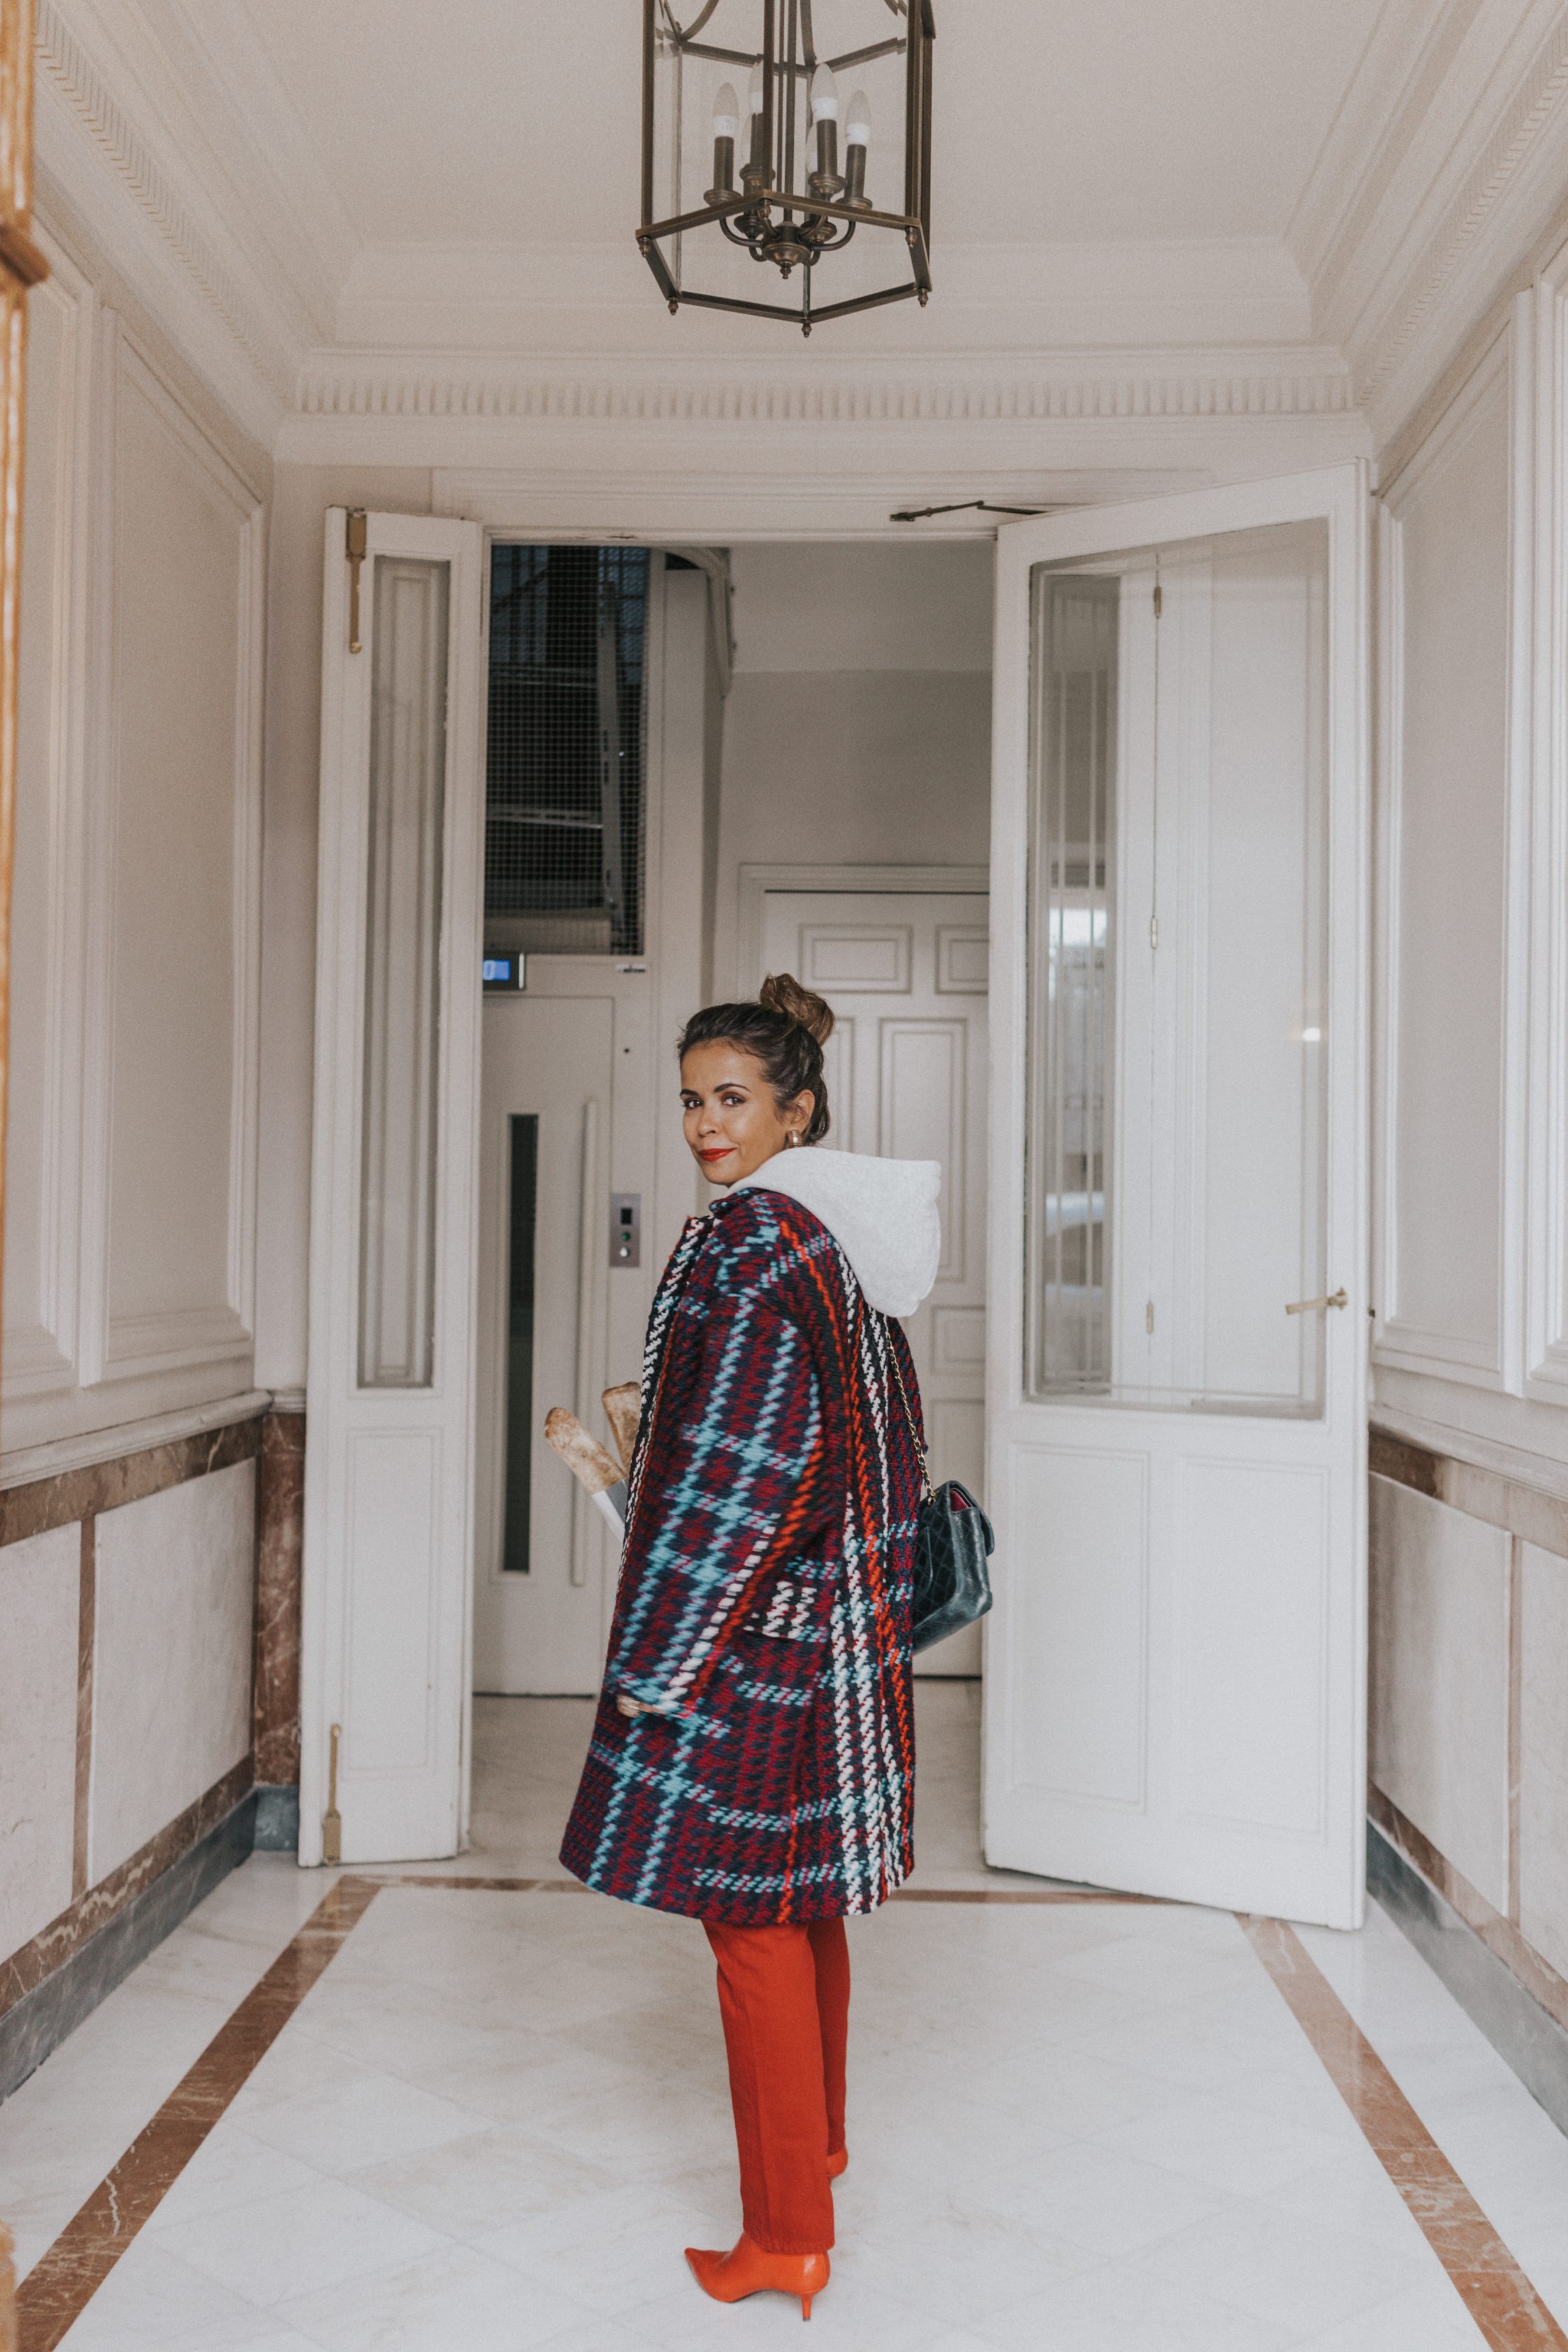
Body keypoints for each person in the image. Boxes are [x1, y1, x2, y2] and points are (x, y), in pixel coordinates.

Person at [560, 972, 939, 2318]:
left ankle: (786, 2233)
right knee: (803, 1901)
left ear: (800, 1108)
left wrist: (659, 1661)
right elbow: (881, 1453)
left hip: (751, 1640)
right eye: (690, 1102)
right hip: (834, 1627)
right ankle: (817, 2154)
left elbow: (732, 1481)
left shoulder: (747, 1246)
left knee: (748, 1926)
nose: (705, 1126)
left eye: (732, 1100)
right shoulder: (838, 1246)